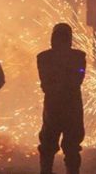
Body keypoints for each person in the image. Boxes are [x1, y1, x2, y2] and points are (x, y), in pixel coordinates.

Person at [37, 23, 86, 174]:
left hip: (66, 107)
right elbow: (46, 82)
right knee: (49, 144)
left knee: (68, 145)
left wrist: (59, 85)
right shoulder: (46, 58)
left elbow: (79, 76)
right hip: (59, 107)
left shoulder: (77, 57)